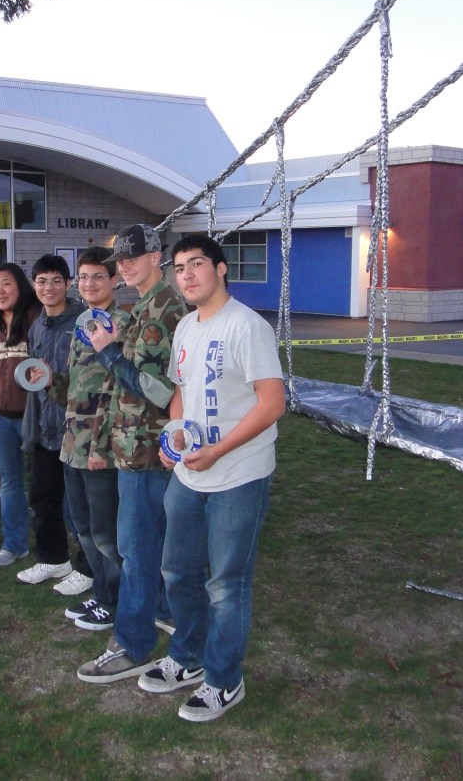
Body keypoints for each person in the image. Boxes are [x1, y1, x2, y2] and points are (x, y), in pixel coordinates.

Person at [140, 234, 285, 722]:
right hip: (191, 473)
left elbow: (272, 403)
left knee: (226, 583)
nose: (187, 275)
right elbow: (181, 392)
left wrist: (216, 450)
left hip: (239, 474)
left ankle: (225, 679)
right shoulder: (185, 326)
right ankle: (188, 657)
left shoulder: (247, 326)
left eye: (197, 264)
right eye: (179, 267)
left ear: (221, 269)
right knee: (177, 571)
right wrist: (176, 437)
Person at [77, 223, 186, 684]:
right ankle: (160, 611)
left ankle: (132, 644)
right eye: (119, 259)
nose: (123, 265)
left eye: (132, 256)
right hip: (134, 446)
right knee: (150, 547)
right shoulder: (146, 304)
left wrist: (108, 353)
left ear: (155, 255)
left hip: (146, 450)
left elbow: (159, 390)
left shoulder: (163, 308)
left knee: (136, 549)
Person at [60, 248, 127, 630]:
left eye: (98, 276)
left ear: (114, 279)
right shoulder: (82, 321)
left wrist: (103, 447)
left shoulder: (120, 323)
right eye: (83, 277)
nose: (88, 283)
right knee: (82, 527)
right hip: (72, 443)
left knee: (105, 533)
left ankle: (113, 602)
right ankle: (101, 592)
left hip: (100, 447)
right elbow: (76, 386)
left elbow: (118, 391)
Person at [17, 254, 87, 586]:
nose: (49, 287)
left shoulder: (83, 323)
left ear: (68, 284)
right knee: (43, 498)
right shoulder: (36, 326)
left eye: (56, 280)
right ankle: (53, 559)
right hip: (45, 429)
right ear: (34, 285)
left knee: (82, 506)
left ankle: (88, 569)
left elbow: (92, 383)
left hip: (77, 431)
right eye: (42, 281)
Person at [0, 262, 40, 567]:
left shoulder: (36, 319)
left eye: (6, 284)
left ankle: (57, 543)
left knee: (45, 481)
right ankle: (15, 544)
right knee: (10, 481)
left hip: (34, 414)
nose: (0, 291)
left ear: (20, 286)